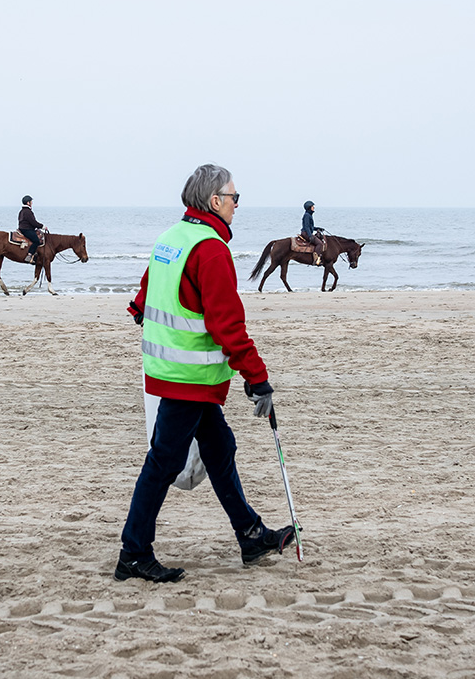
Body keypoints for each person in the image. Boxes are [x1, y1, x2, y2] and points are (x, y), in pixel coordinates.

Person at [116, 164, 295, 583]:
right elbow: (227, 324)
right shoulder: (211, 249)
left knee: (219, 447)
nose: (237, 206)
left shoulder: (170, 239)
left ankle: (250, 535)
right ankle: (133, 553)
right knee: (163, 462)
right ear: (215, 201)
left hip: (170, 371)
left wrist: (143, 310)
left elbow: (145, 295)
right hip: (187, 377)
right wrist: (257, 378)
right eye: (235, 198)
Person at [18, 195, 45, 263]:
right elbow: (33, 222)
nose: (32, 203)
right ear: (28, 203)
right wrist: (42, 226)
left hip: (22, 228)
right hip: (26, 229)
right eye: (31, 201)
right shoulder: (27, 212)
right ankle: (29, 255)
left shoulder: (22, 211)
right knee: (36, 241)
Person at [301, 200, 325, 266]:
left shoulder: (309, 215)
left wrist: (317, 228)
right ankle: (316, 260)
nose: (313, 207)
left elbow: (310, 226)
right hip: (306, 233)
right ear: (309, 207)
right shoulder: (307, 215)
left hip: (307, 232)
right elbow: (306, 227)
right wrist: (310, 236)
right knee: (320, 244)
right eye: (312, 206)